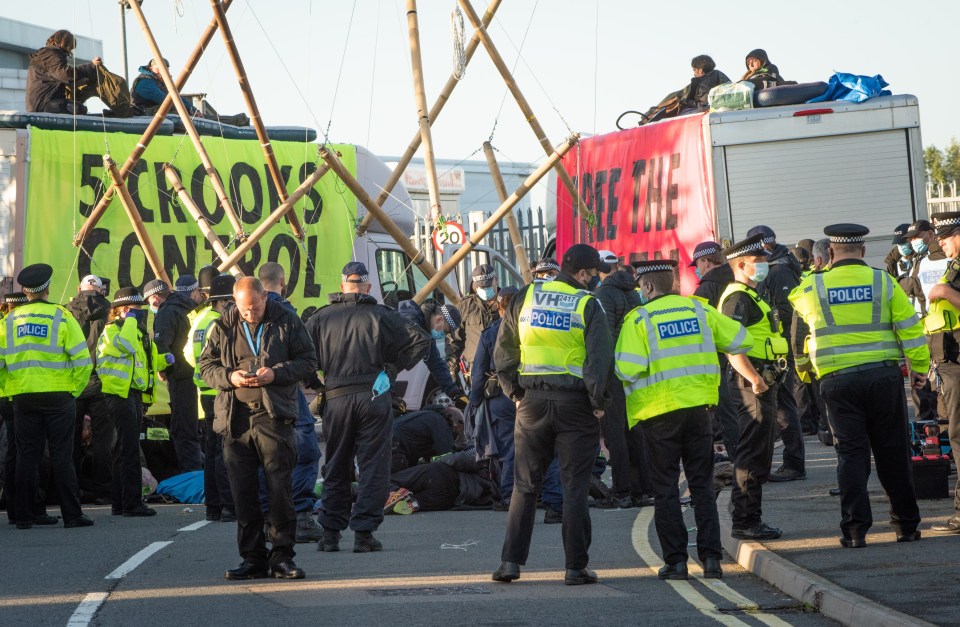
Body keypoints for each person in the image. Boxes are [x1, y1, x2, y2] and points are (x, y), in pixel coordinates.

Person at [617, 259, 766, 580]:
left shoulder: (638, 319)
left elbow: (627, 368)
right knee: (701, 485)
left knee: (666, 489)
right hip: (699, 412)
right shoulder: (699, 310)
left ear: (646, 286)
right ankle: (711, 560)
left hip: (658, 416)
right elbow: (741, 340)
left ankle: (676, 562)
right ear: (671, 282)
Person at [791, 223, 928, 547]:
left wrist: (805, 373)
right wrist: (919, 369)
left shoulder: (811, 287)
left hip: (838, 382)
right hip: (882, 378)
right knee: (893, 453)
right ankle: (906, 526)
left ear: (831, 253)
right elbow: (910, 330)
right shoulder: (883, 281)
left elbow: (797, 337)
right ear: (863, 251)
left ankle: (854, 532)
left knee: (851, 455)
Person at [491, 243, 614, 586]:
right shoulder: (588, 304)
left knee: (525, 486)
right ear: (583, 273)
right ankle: (576, 568)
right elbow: (599, 360)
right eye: (593, 275)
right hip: (575, 405)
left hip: (531, 402)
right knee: (574, 487)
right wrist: (598, 400)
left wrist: (514, 392)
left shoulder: (527, 296)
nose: (594, 281)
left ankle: (510, 563)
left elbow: (504, 351)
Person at [305, 262, 430, 553]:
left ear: (342, 286)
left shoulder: (321, 318)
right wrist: (393, 368)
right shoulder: (381, 315)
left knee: (336, 463)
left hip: (335, 397)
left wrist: (316, 383)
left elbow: (300, 353)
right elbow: (421, 340)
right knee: (373, 465)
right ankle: (363, 533)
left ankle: (331, 534)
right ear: (368, 287)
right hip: (373, 395)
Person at [199, 277, 317, 580]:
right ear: (236, 303)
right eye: (244, 309)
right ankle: (252, 557)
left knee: (280, 489)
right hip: (236, 418)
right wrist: (230, 377)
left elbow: (308, 361)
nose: (251, 314)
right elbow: (206, 366)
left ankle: (282, 557)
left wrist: (275, 374)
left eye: (255, 307)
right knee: (243, 492)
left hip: (274, 415)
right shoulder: (224, 325)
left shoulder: (286, 320)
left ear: (266, 297)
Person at [3, 264, 94, 529]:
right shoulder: (61, 317)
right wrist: (73, 391)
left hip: (23, 397)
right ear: (47, 289)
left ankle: (23, 516)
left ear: (25, 291)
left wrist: (11, 389)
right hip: (58, 398)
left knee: (26, 457)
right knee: (62, 456)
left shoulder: (9, 321)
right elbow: (82, 361)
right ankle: (72, 515)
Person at [717, 234, 786, 541]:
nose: (764, 265)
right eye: (758, 261)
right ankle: (746, 520)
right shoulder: (737, 297)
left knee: (759, 450)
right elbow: (732, 346)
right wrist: (755, 379)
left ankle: (745, 514)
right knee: (752, 452)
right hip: (752, 381)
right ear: (742, 265)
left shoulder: (750, 293)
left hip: (762, 378)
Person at [257, 262, 324, 544]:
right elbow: (303, 356)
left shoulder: (236, 316)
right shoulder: (287, 313)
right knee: (306, 453)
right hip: (285, 392)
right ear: (282, 282)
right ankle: (301, 514)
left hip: (253, 395)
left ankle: (265, 518)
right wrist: (315, 383)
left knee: (264, 458)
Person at [96, 287, 163, 517]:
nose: (141, 314)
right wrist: (131, 322)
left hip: (132, 394)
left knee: (124, 448)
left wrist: (164, 360)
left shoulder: (134, 331)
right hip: (119, 394)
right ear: (123, 310)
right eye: (136, 310)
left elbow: (142, 358)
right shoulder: (113, 330)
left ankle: (120, 502)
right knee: (129, 449)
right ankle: (132, 503)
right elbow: (125, 347)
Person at [746, 225, 805, 482]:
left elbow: (786, 312)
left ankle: (794, 463)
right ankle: (791, 462)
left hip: (779, 350)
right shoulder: (775, 268)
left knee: (784, 407)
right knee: (781, 406)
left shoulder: (779, 271)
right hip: (774, 348)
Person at [595, 250, 650, 508]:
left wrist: (601, 377)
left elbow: (604, 337)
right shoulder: (632, 291)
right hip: (636, 368)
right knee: (636, 430)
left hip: (615, 371)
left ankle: (622, 490)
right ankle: (642, 488)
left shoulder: (604, 293)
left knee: (615, 433)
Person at [1, 291, 57, 527]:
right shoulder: (16, 327)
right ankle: (31, 507)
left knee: (14, 452)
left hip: (8, 395)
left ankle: (16, 508)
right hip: (21, 394)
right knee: (29, 454)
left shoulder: (5, 325)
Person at [184, 274, 236, 523]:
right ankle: (228, 506)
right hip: (220, 391)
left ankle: (213, 507)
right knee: (224, 452)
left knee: (213, 449)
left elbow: (187, 354)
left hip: (204, 392)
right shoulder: (220, 323)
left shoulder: (200, 320)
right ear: (224, 302)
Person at [922, 212, 960, 535]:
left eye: (945, 238)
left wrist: (946, 293)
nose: (942, 245)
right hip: (949, 363)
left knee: (959, 438)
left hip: (958, 365)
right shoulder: (954, 265)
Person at [469, 286, 520, 506]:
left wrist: (474, 401)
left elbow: (478, 371)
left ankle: (509, 495)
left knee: (508, 448)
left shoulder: (490, 332)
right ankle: (544, 492)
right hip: (529, 394)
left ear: (499, 307)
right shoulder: (527, 328)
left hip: (500, 397)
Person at [145, 278, 202, 472]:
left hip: (181, 374)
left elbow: (162, 347)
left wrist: (163, 369)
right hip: (200, 373)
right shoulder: (191, 306)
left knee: (183, 430)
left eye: (149, 301)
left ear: (155, 297)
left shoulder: (166, 312)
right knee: (196, 428)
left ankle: (190, 478)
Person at [691, 241, 740, 458]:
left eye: (698, 264)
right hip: (745, 351)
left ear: (706, 261)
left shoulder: (705, 288)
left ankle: (738, 459)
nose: (698, 269)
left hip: (718, 357)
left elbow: (697, 325)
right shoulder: (738, 279)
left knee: (727, 412)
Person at [67, 274, 113, 502]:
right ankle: (103, 490)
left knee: (71, 439)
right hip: (101, 381)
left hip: (73, 382)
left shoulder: (66, 311)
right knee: (103, 440)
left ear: (79, 288)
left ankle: (71, 490)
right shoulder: (110, 311)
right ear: (101, 290)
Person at [26, 29, 134, 116]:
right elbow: (66, 74)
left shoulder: (46, 56)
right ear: (66, 44)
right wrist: (90, 67)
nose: (70, 52)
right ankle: (121, 108)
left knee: (78, 105)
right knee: (79, 109)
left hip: (42, 104)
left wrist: (86, 78)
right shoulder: (51, 54)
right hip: (44, 106)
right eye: (70, 48)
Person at [398, 299, 465, 402]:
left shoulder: (426, 331)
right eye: (446, 331)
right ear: (439, 319)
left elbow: (436, 363)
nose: (445, 335)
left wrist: (454, 392)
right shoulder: (411, 324)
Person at [450, 264, 500, 372]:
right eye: (480, 287)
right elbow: (454, 339)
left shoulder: (508, 302)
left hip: (502, 368)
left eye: (487, 286)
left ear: (496, 280)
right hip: (475, 369)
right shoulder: (465, 306)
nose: (484, 289)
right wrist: (452, 369)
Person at [902, 219, 948, 315]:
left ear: (931, 234)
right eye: (911, 239)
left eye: (916, 237)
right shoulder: (919, 258)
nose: (913, 242)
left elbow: (913, 285)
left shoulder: (938, 256)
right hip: (930, 318)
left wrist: (896, 281)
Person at [132, 57, 202, 117]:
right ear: (151, 68)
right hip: (141, 112)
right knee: (174, 111)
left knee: (180, 110)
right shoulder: (145, 82)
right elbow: (164, 99)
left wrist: (193, 110)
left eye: (165, 69)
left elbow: (176, 97)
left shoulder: (159, 83)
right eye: (158, 69)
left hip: (152, 110)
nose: (161, 72)